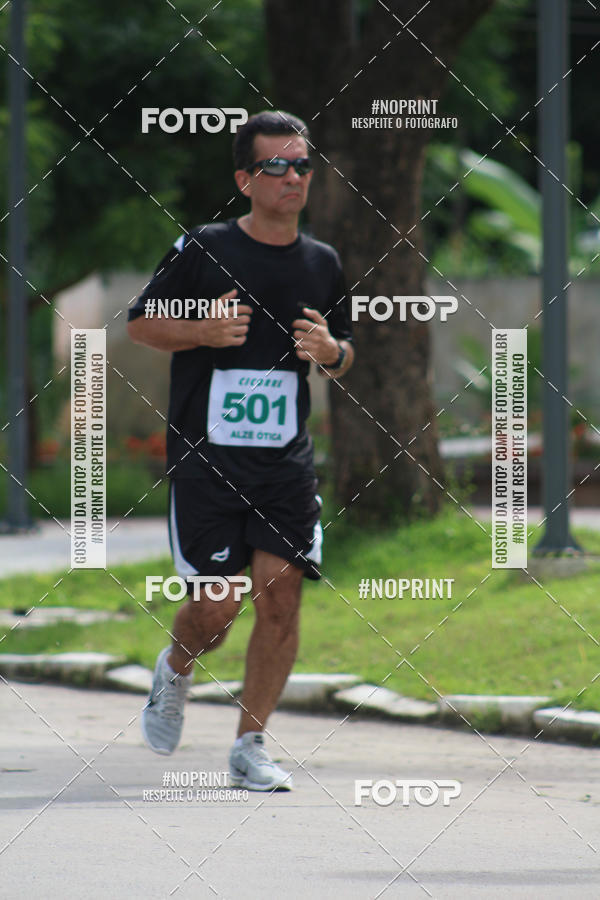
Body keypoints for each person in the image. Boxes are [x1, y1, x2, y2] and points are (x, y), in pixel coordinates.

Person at [127, 110, 354, 791]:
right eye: (277, 166)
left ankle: (250, 746)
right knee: (219, 606)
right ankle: (176, 668)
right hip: (208, 462)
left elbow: (341, 351)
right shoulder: (204, 247)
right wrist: (202, 330)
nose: (293, 178)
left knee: (281, 601)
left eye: (302, 165)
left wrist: (332, 353)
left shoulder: (322, 262)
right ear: (245, 179)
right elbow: (140, 324)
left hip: (283, 462)